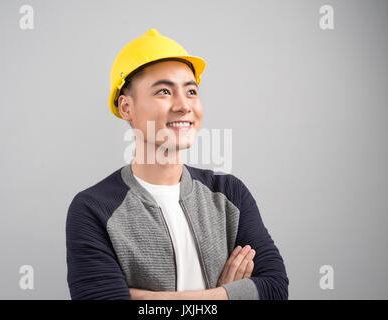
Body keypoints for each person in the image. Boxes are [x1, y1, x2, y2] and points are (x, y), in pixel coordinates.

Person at [66, 28, 288, 300]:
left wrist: (144, 297)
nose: (184, 106)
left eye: (192, 91)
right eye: (163, 91)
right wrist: (226, 295)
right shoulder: (93, 209)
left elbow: (275, 290)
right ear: (126, 107)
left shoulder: (229, 194)